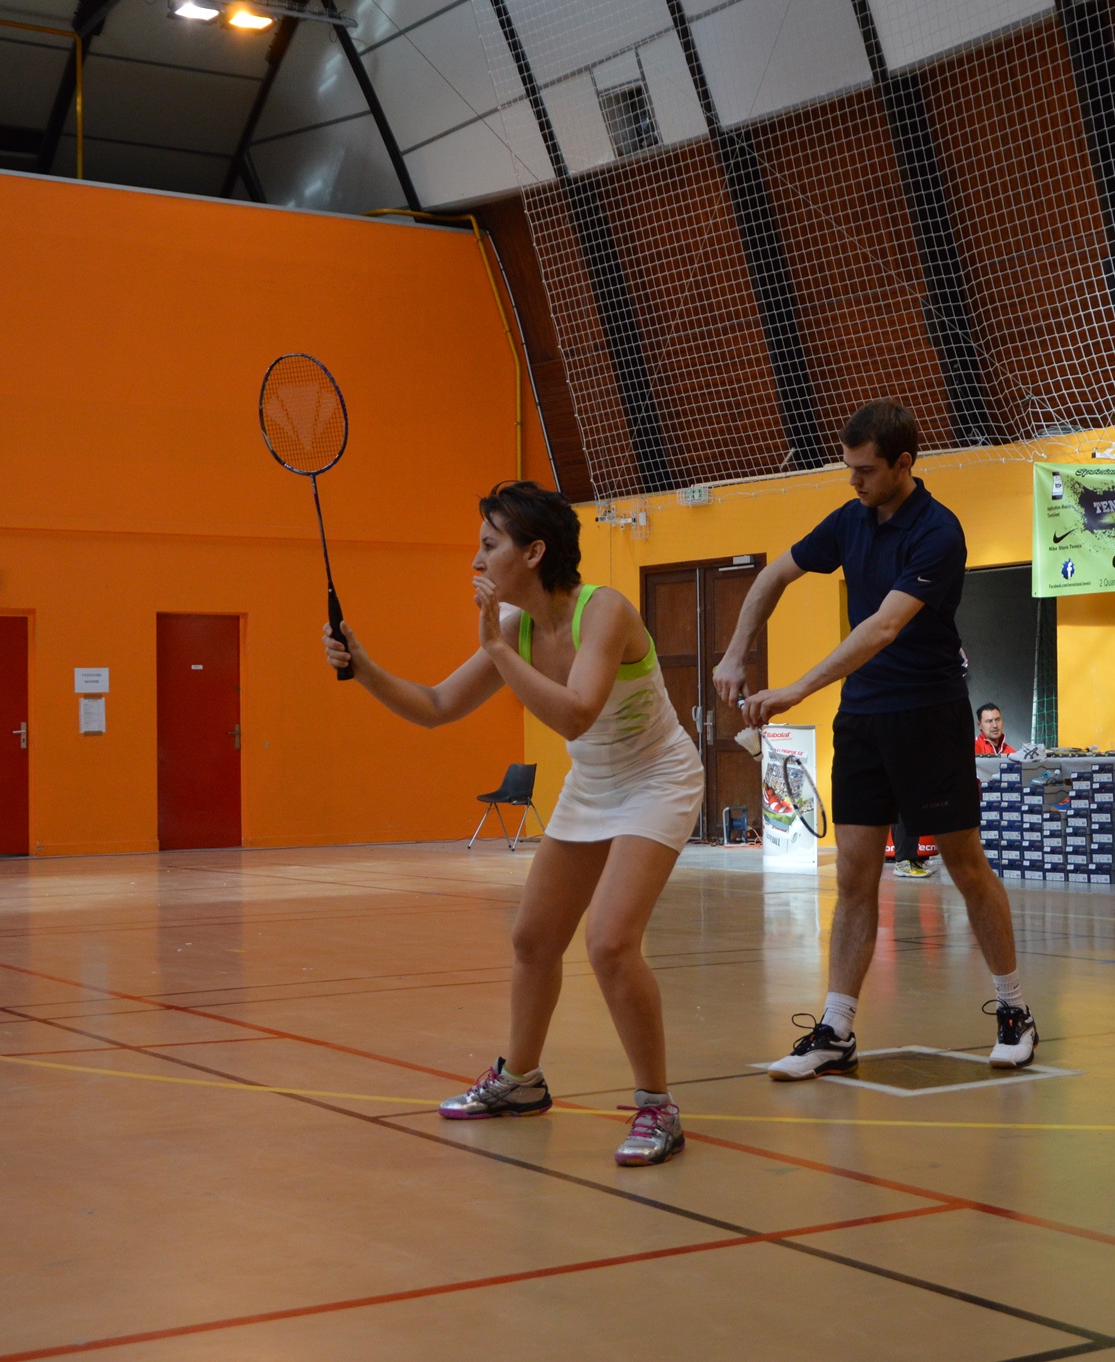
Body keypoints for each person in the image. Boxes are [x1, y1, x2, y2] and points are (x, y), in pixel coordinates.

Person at [322, 481, 703, 1165]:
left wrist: (500, 652)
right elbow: (437, 706)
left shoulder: (603, 611)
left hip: (657, 779)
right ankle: (521, 1081)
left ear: (533, 553)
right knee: (532, 939)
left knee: (610, 942)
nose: (476, 559)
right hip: (594, 783)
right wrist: (365, 667)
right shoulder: (515, 626)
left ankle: (657, 1107)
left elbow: (577, 714)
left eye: (489, 545)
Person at [713, 400, 1039, 1078]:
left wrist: (796, 689)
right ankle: (836, 1030)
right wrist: (736, 650)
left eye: (865, 470)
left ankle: (1014, 1009)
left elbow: (884, 628)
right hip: (862, 719)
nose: (853, 481)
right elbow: (774, 574)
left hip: (928, 715)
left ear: (903, 464)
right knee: (855, 875)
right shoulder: (850, 519)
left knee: (965, 865)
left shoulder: (938, 532)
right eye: (849, 468)